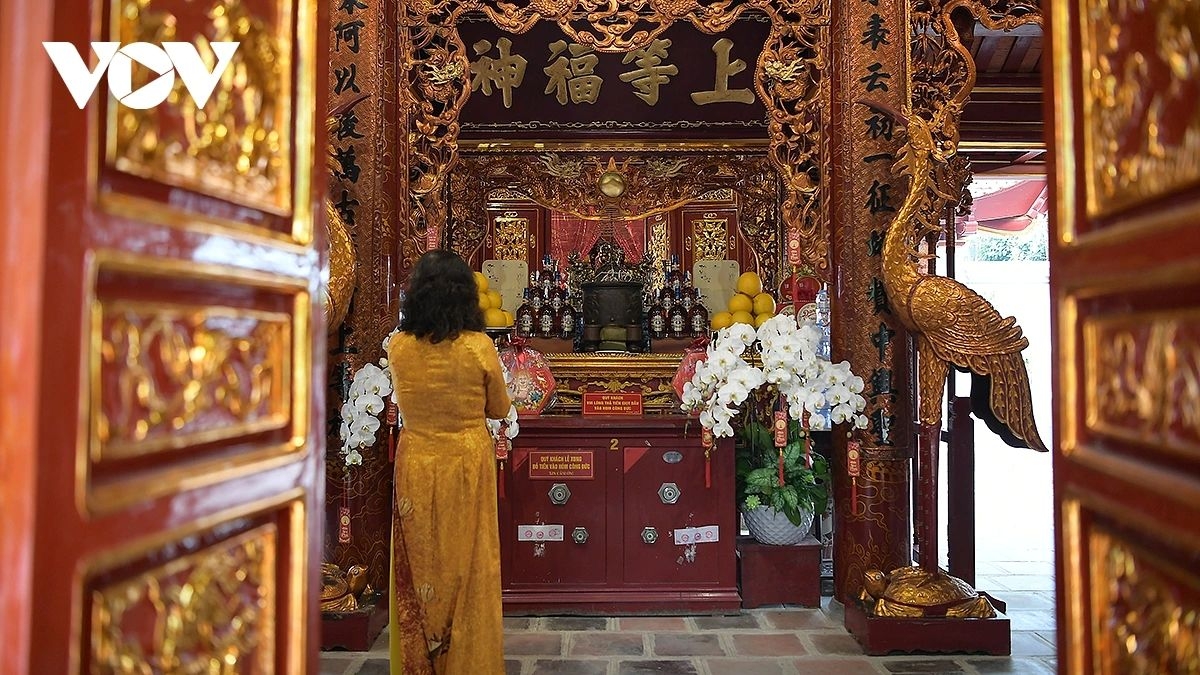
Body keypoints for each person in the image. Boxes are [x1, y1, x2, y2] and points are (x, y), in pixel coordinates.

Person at [386, 250, 512, 674]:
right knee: (470, 564)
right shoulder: (479, 347)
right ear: (466, 297)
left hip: (416, 460)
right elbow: (498, 408)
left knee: (421, 561)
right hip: (466, 462)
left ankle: (421, 660)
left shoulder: (399, 347)